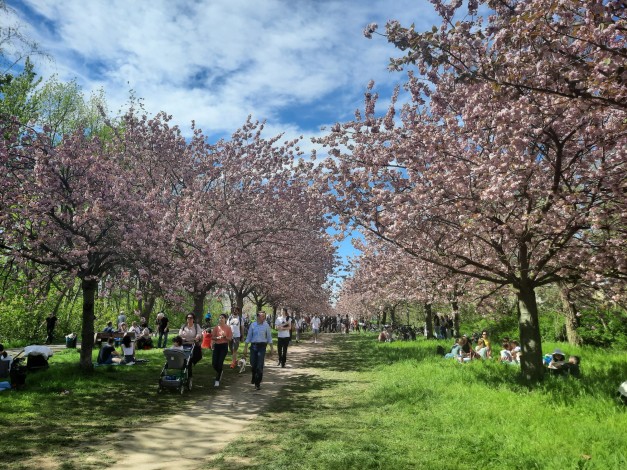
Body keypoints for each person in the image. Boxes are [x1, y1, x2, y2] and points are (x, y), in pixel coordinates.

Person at [243, 311, 274, 390]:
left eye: (264, 316)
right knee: (253, 363)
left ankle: (257, 383)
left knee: (260, 365)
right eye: (262, 316)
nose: (264, 318)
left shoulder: (266, 325)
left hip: (262, 346)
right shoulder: (253, 325)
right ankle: (254, 375)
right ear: (258, 317)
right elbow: (249, 336)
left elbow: (269, 337)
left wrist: (271, 348)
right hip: (254, 346)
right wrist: (245, 347)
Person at [211, 314, 233, 387]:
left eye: (222, 318)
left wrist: (225, 337)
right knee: (214, 364)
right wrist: (217, 338)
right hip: (217, 346)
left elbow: (230, 339)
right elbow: (212, 337)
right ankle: (220, 371)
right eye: (220, 318)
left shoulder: (228, 328)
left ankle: (217, 380)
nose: (221, 319)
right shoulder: (216, 327)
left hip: (224, 346)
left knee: (220, 363)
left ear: (225, 319)